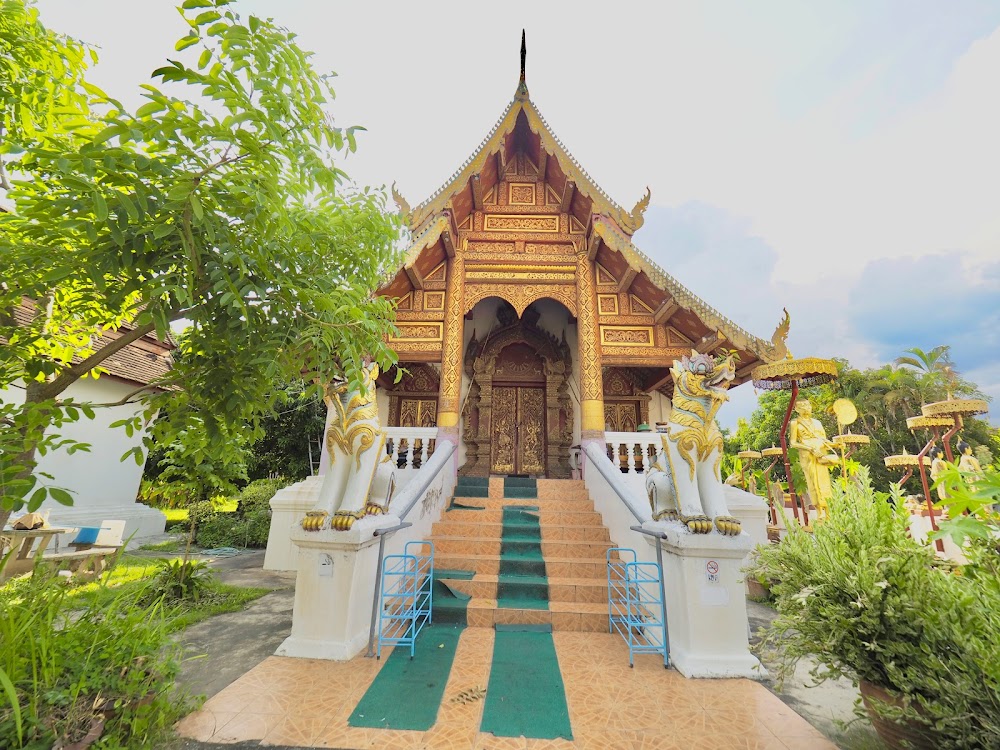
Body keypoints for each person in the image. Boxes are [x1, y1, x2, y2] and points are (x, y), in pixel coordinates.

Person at [788, 398, 837, 518]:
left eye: (808, 405)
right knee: (813, 481)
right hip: (808, 455)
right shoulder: (795, 423)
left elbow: (823, 440)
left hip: (821, 452)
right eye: (802, 406)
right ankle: (819, 510)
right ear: (797, 409)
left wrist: (835, 444)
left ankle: (829, 509)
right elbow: (793, 443)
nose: (806, 408)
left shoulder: (817, 423)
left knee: (824, 480)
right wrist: (809, 448)